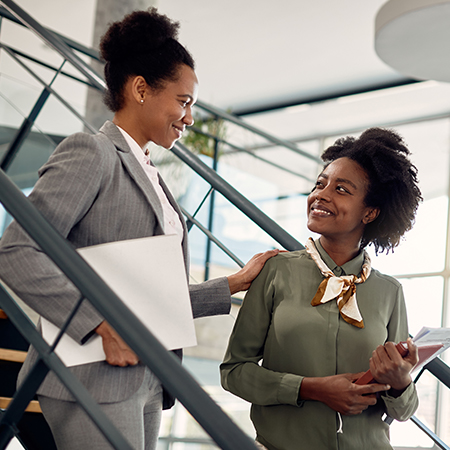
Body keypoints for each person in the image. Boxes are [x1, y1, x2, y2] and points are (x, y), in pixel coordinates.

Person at [0, 8, 278, 450]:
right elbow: (15, 252)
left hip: (149, 374)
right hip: (92, 374)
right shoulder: (92, 153)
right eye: (184, 102)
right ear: (141, 89)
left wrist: (233, 283)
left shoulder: (154, 175)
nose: (189, 118)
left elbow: (149, 297)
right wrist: (100, 325)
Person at [220, 127, 423, 450]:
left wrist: (400, 383)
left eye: (341, 189)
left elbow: (404, 411)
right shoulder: (275, 271)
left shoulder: (389, 291)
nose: (321, 195)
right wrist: (310, 388)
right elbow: (234, 372)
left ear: (369, 212)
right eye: (320, 183)